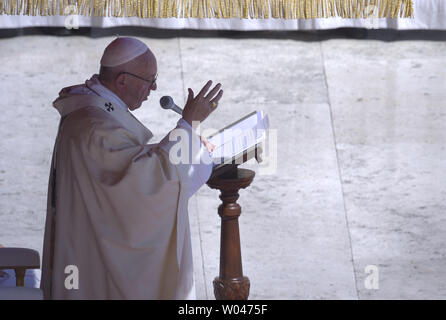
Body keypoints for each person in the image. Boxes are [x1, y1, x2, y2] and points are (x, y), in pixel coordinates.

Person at [40, 37, 223, 299]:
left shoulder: (92, 111)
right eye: (149, 79)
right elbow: (145, 186)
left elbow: (129, 164)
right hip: (93, 260)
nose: (154, 87)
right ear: (123, 80)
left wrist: (190, 141)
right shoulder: (94, 127)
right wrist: (188, 125)